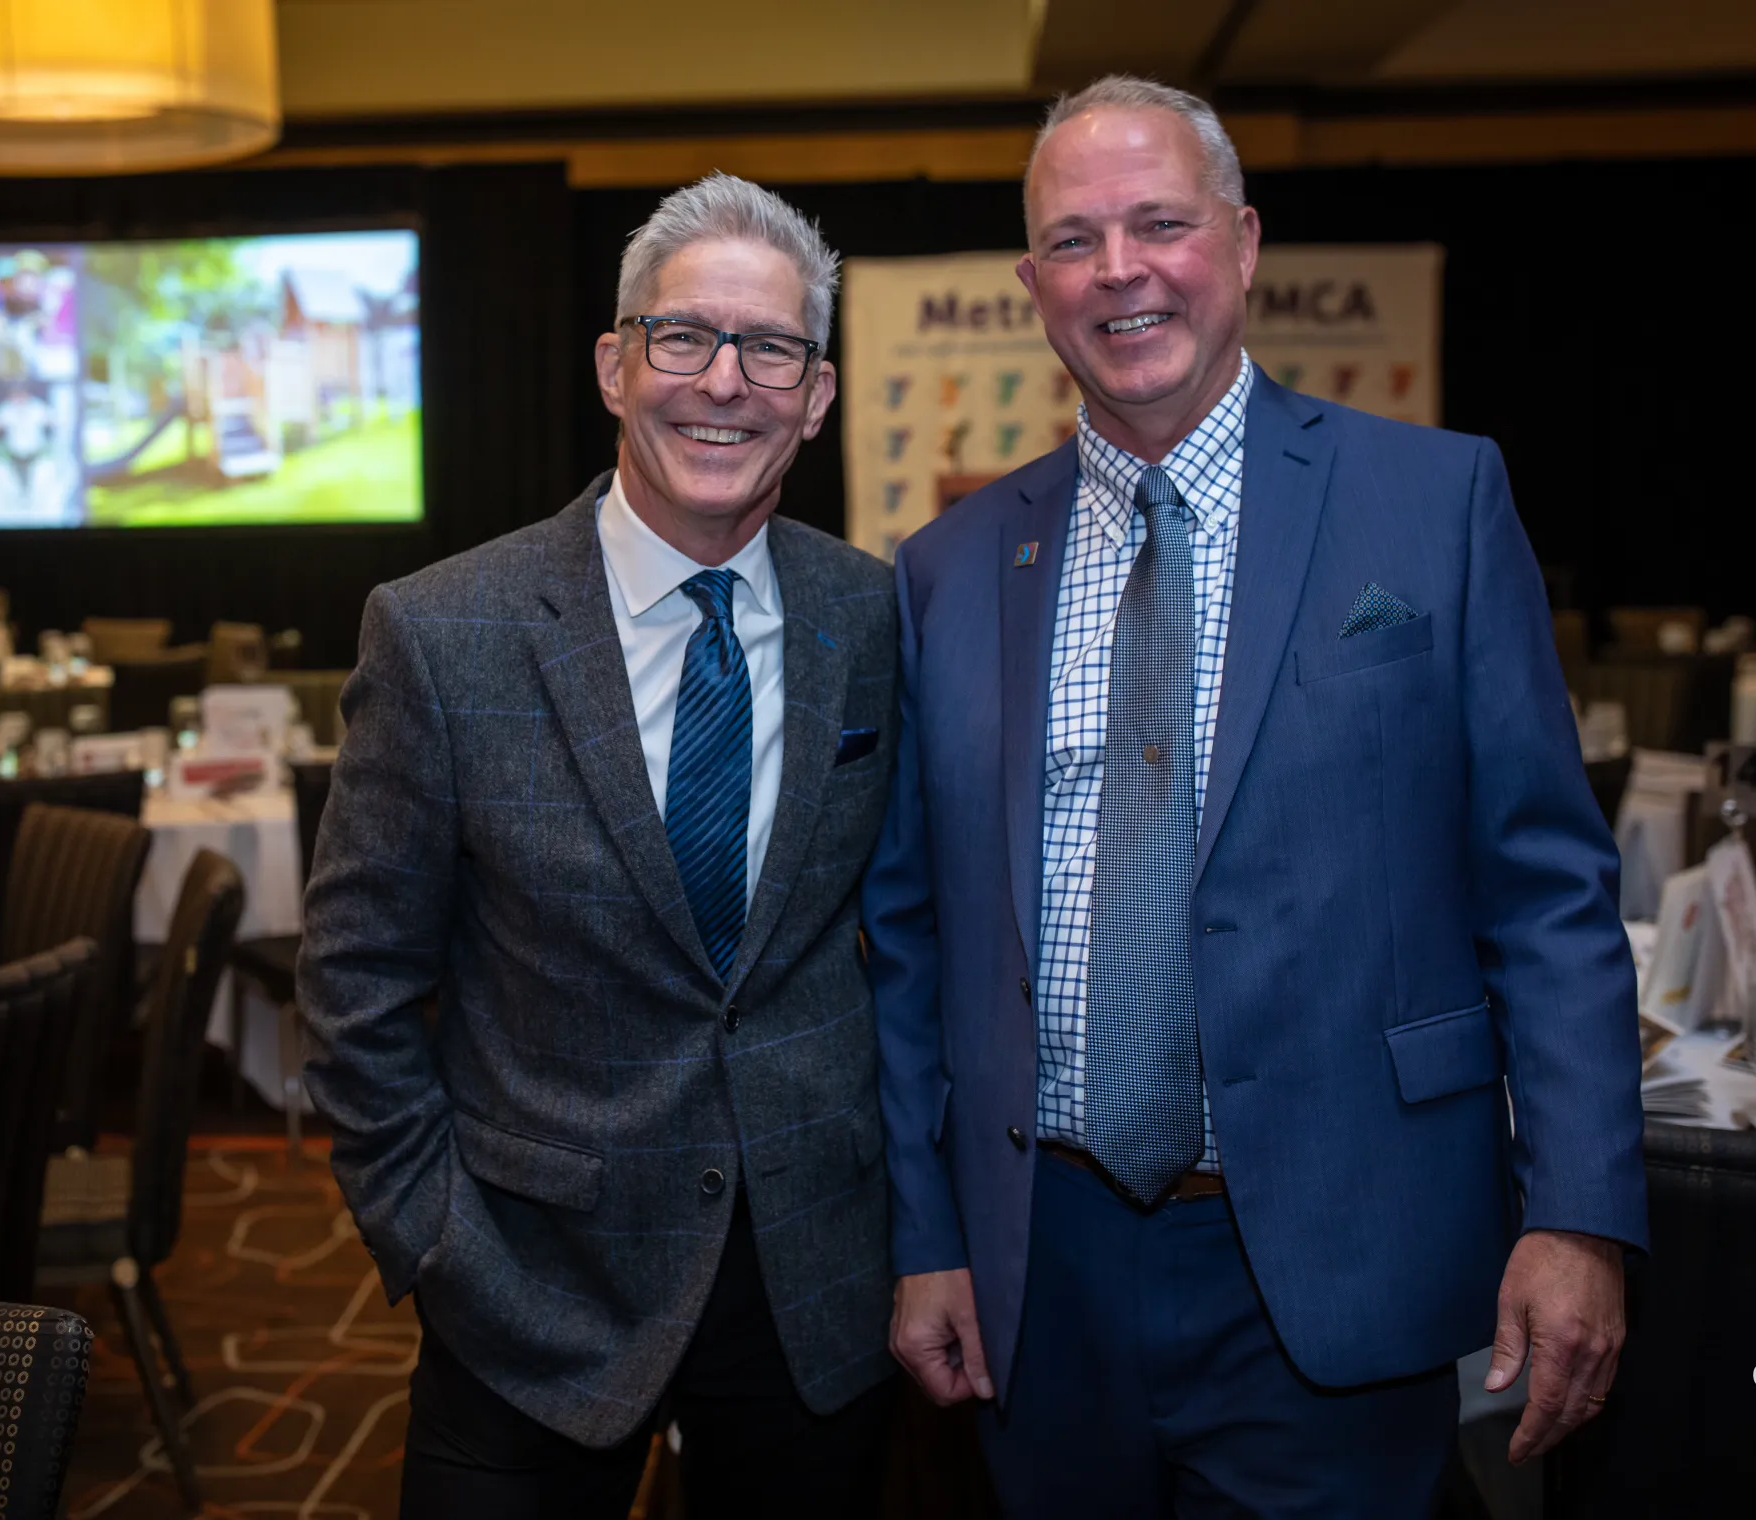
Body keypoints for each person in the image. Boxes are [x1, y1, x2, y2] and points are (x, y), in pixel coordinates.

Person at [865, 76, 1646, 1516]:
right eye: (1074, 239)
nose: (1121, 271)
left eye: (1160, 223)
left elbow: (1548, 890)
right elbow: (911, 945)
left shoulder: (1436, 500)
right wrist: (927, 1237)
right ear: (1035, 280)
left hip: (1344, 1246)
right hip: (1044, 1268)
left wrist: (1582, 1211)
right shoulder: (949, 569)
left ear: (1242, 240)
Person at [299, 172, 899, 1519]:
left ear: (817, 394)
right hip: (527, 1290)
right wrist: (436, 1241)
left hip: (813, 1283)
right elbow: (355, 988)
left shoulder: (876, 621)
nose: (723, 382)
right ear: (615, 367)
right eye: (682, 337)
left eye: (771, 349)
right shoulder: (441, 632)